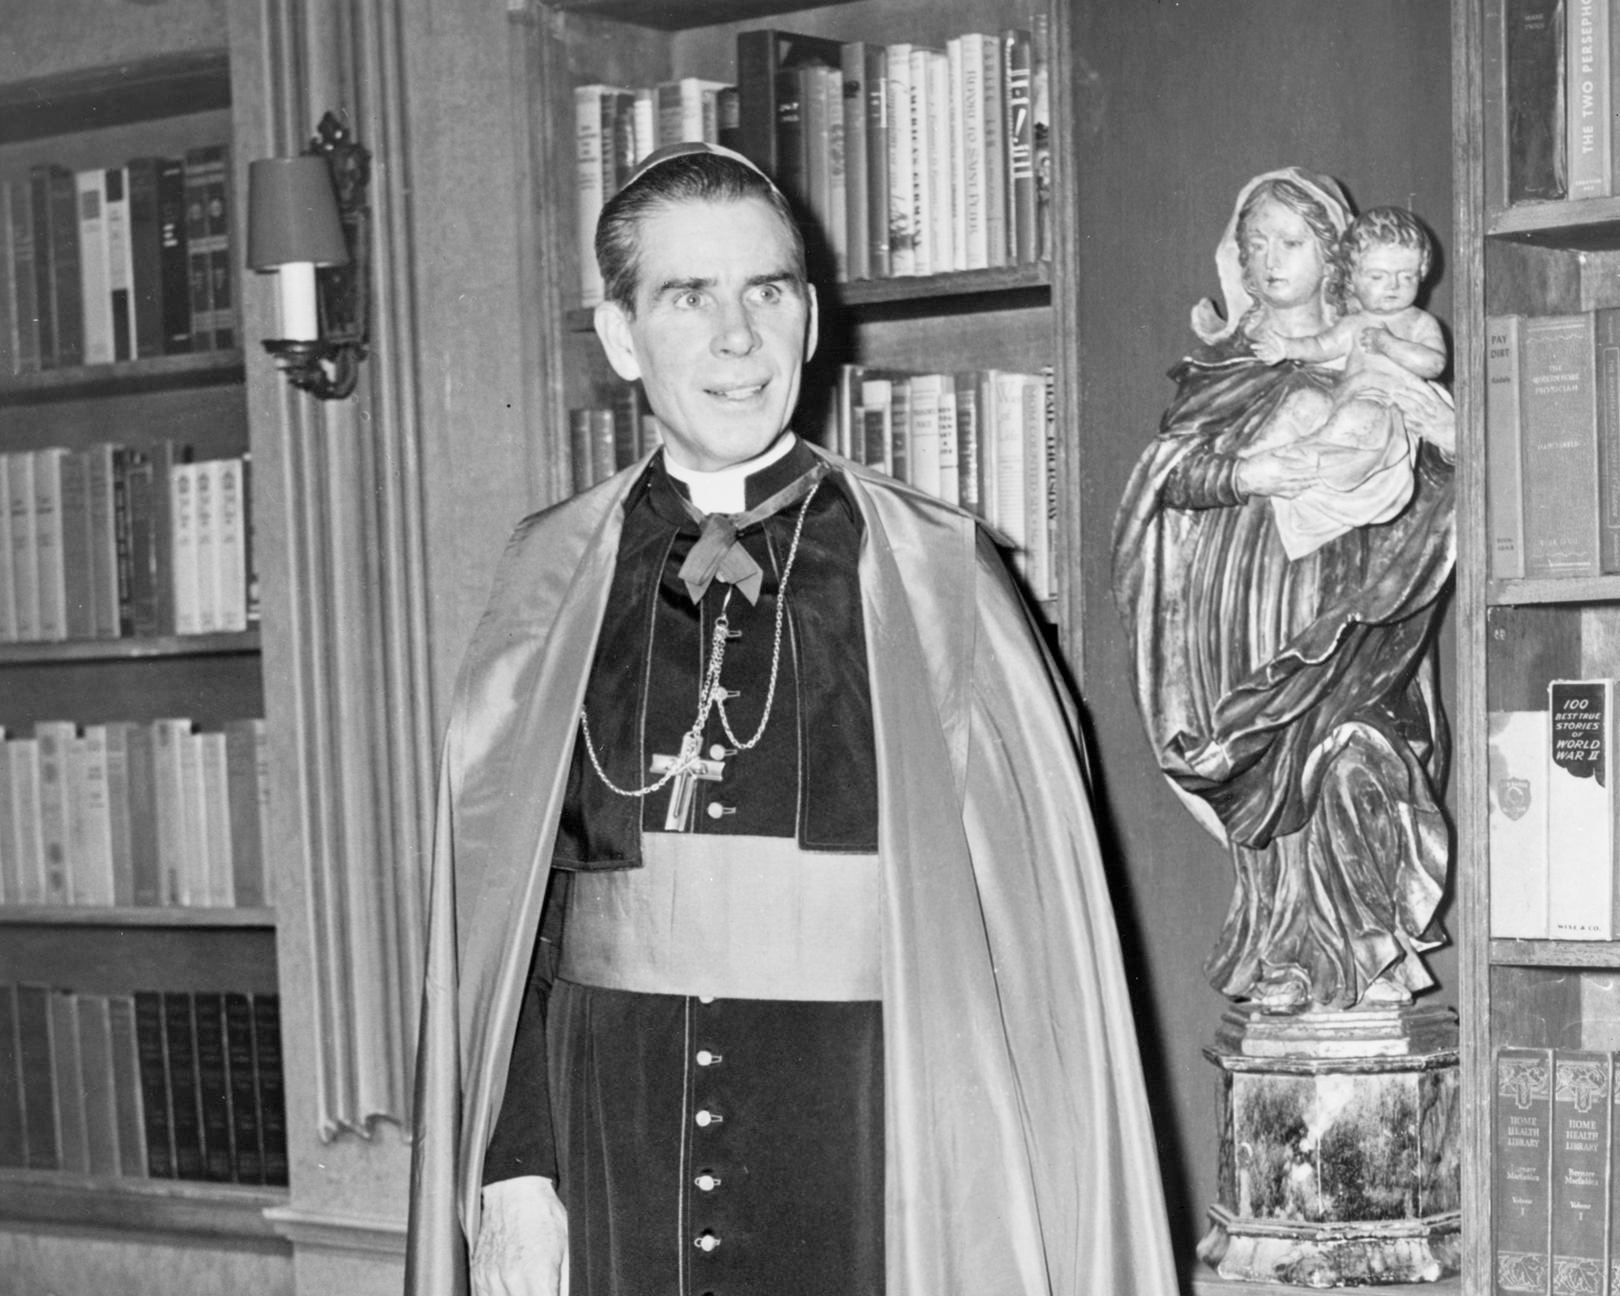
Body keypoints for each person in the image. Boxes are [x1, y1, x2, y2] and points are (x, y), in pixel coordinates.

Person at [405, 141, 1176, 1296]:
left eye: (766, 292)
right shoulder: (551, 573)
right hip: (614, 1125)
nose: (735, 338)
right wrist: (516, 1169)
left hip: (870, 1138)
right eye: (687, 296)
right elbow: (511, 919)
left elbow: (1033, 954)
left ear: (810, 319)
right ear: (622, 337)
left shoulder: (936, 572)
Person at [1112, 168, 1457, 1017]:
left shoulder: (1367, 343)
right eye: (1255, 242)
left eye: (1290, 242)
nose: (1269, 259)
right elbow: (1173, 477)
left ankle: (1357, 949)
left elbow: (1438, 458)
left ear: (1332, 252)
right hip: (1239, 604)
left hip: (1348, 597)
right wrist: (1250, 469)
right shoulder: (1222, 365)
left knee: (1347, 755)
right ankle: (1282, 949)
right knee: (1263, 762)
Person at [1246, 205, 1449, 559]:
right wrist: (1287, 347)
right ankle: (1259, 453)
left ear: (1422, 273)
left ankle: (1308, 454)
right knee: (1304, 402)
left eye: (1406, 277)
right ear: (1352, 279)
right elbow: (1322, 346)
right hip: (1343, 397)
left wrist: (1391, 344)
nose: (1393, 287)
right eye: (1378, 277)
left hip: (1383, 406)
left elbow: (1433, 363)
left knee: (1358, 416)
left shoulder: (1418, 323)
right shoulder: (1355, 324)